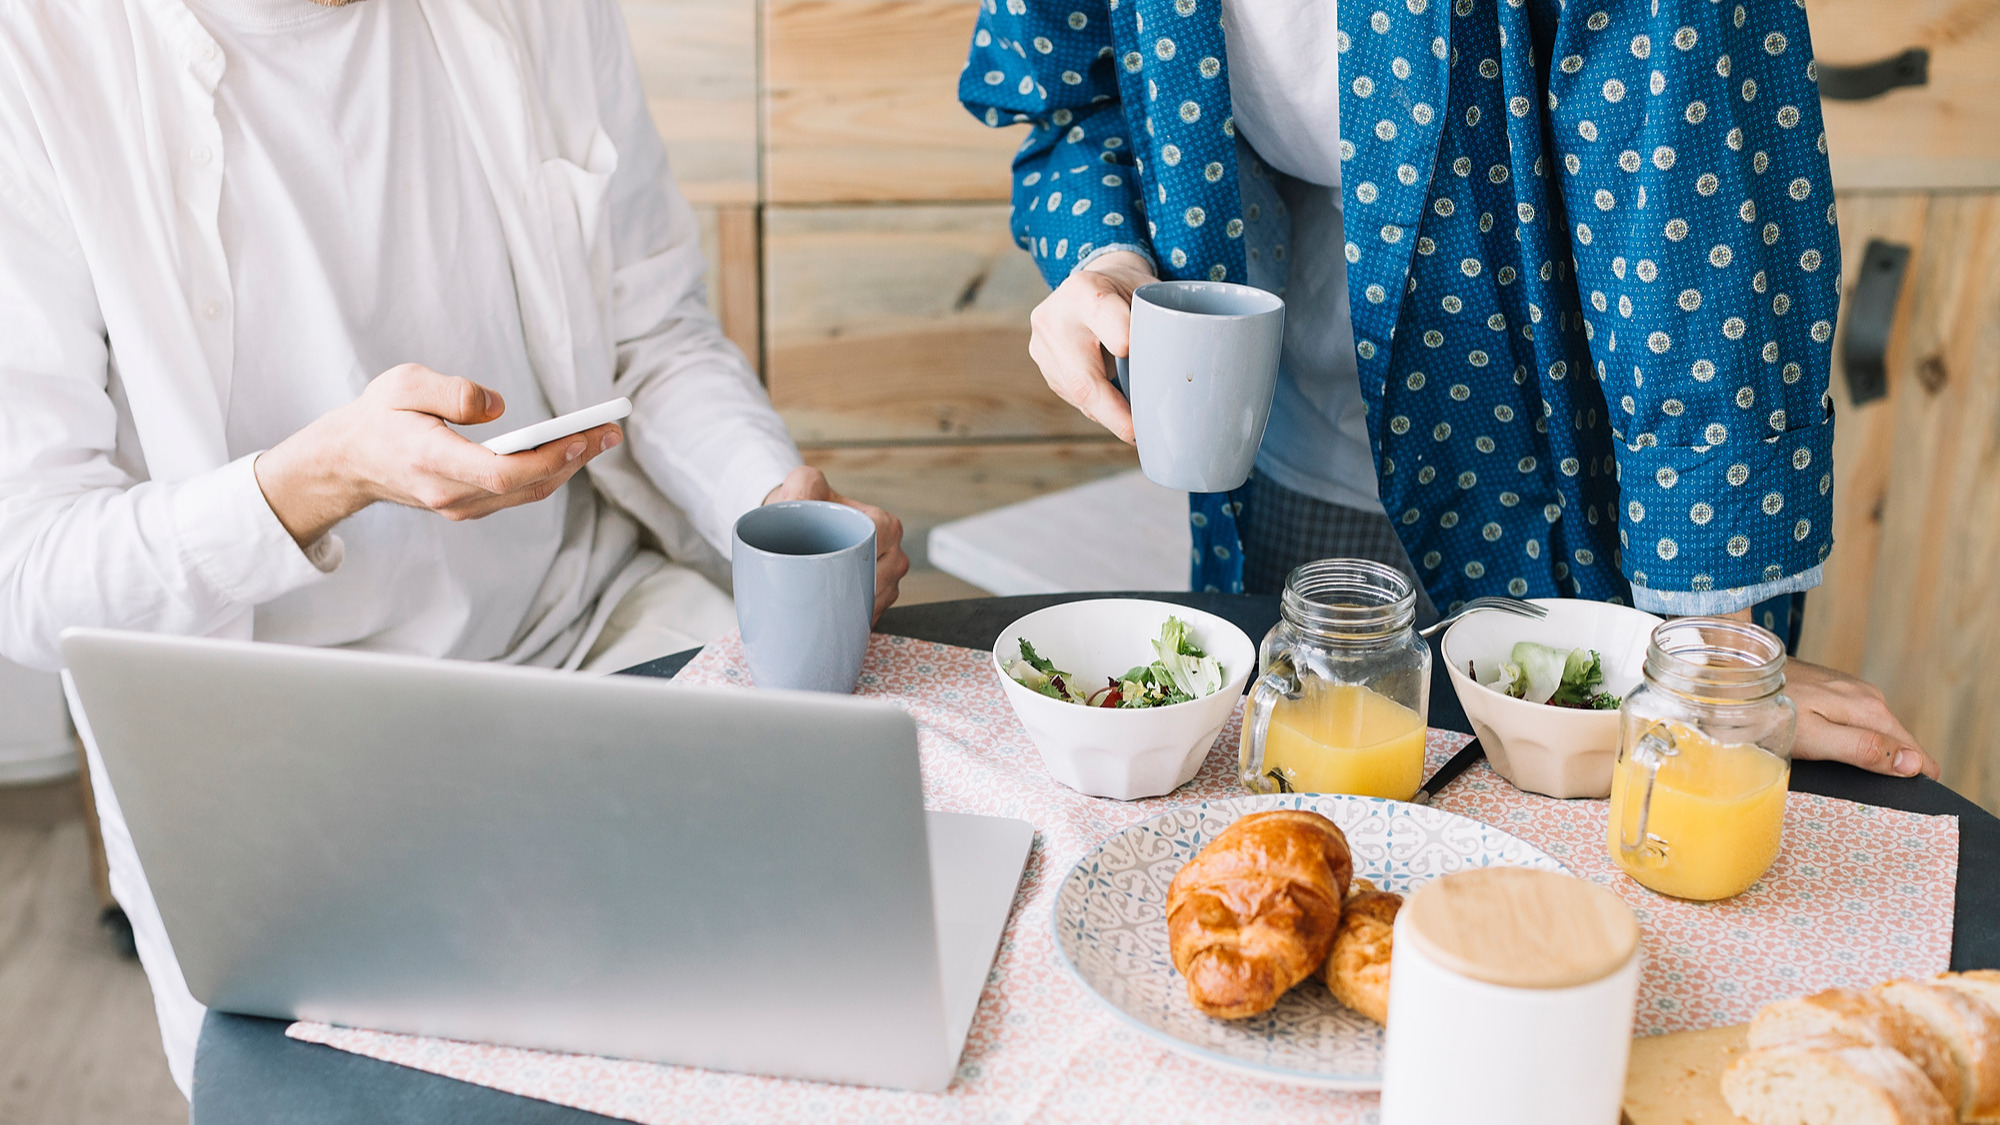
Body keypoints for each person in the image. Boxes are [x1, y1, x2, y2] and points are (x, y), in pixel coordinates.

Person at [0, 0, 906, 1095]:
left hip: (593, 635)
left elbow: (652, 339)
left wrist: (766, 501)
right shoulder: (36, 56)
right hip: (266, 748)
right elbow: (30, 573)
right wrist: (317, 479)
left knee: (860, 947)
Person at [960, 1, 1933, 778]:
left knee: (1570, 855)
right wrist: (1105, 252)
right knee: (1292, 810)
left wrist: (1714, 654)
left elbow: (1690, 242)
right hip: (1284, 447)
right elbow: (1063, 94)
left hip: (1577, 476)